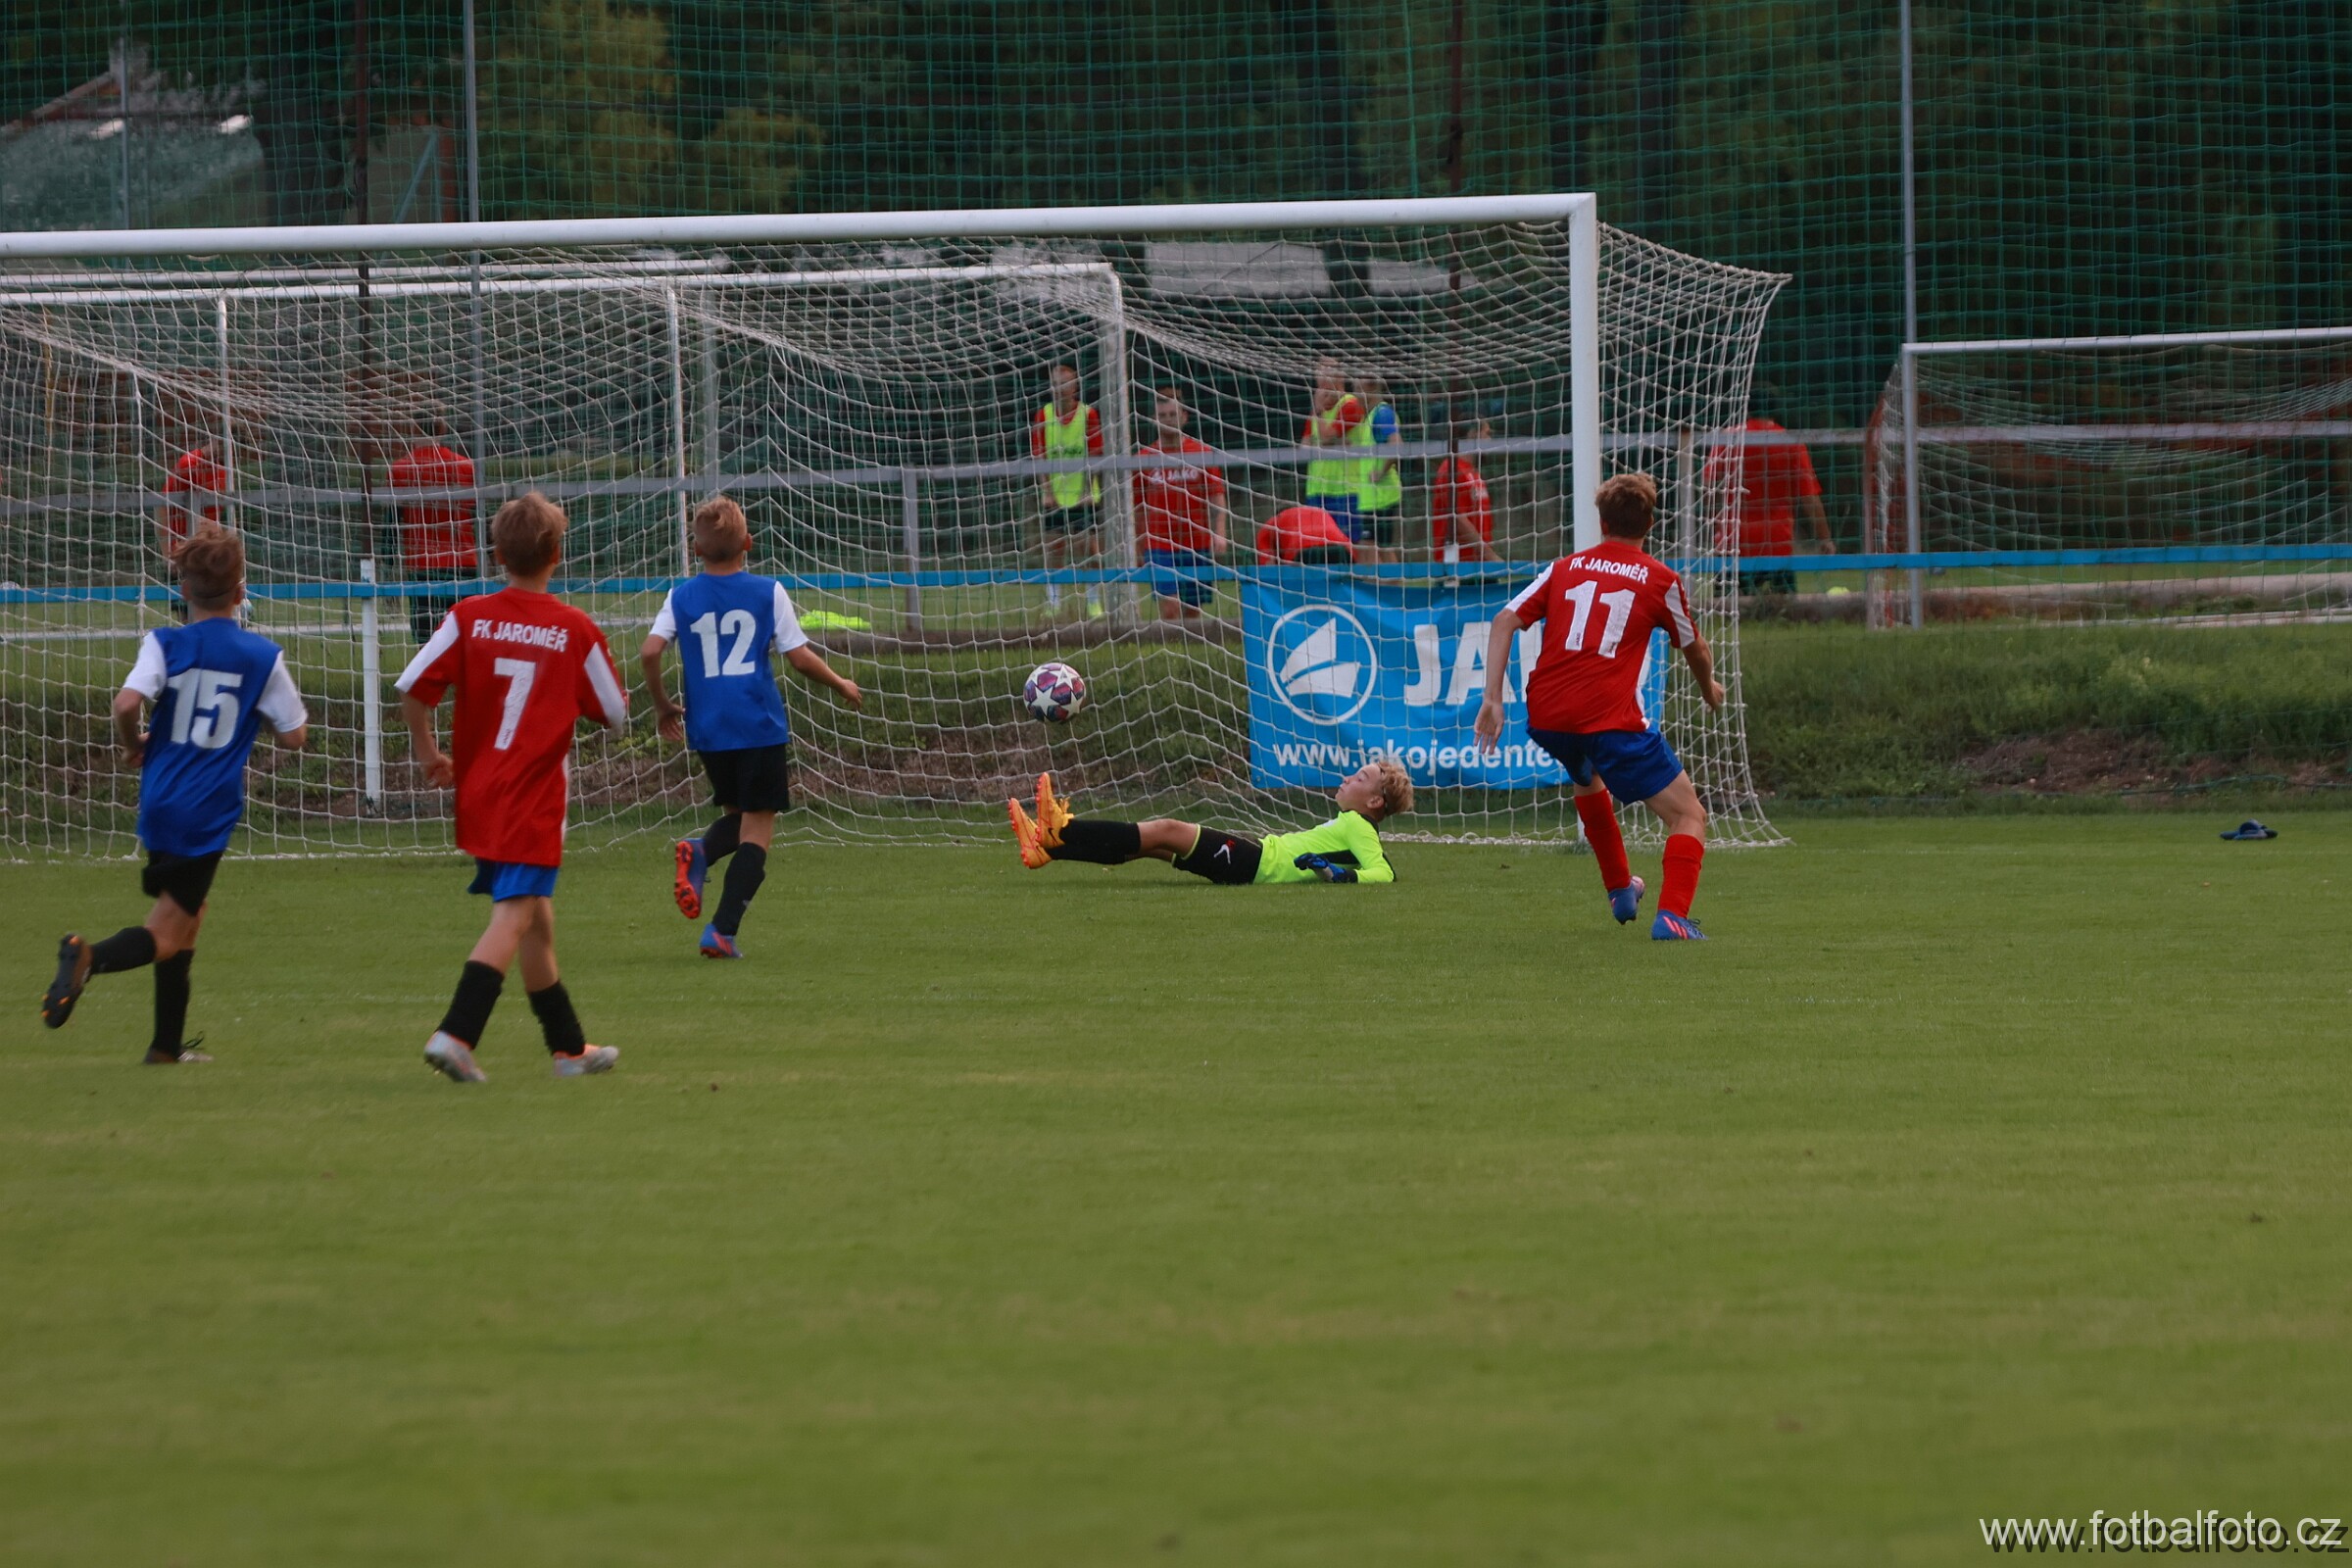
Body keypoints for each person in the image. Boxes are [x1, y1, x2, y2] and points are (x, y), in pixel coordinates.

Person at [40, 527, 310, 1063]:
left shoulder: (164, 643)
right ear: (241, 592)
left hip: (160, 800)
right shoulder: (261, 656)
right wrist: (256, 714)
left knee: (189, 914)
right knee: (167, 931)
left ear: (183, 590)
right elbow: (294, 736)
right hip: (206, 810)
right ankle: (88, 957)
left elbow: (125, 704)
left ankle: (166, 1047)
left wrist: (133, 744)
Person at [396, 492, 631, 1082]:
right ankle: (456, 1035)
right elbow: (614, 712)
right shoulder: (574, 628)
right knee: (512, 917)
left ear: (496, 554)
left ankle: (569, 1049)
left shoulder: (468, 616)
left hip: (480, 793)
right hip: (532, 799)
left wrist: (429, 754)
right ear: (558, 555)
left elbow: (412, 685)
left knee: (535, 922)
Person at [1473, 472, 1726, 941]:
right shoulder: (1661, 579)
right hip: (1608, 719)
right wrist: (1708, 687)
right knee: (1689, 814)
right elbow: (1696, 648)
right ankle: (1673, 917)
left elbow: (1505, 620)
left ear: (1602, 522)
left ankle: (1621, 890)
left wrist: (1492, 698)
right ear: (1650, 524)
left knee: (1587, 775)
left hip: (1548, 716)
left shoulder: (1564, 567)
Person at [642, 497, 864, 959]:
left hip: (708, 729)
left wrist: (663, 705)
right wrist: (841, 683)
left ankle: (703, 856)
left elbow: (649, 651)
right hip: (757, 725)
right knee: (757, 834)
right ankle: (721, 927)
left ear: (696, 550)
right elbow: (799, 658)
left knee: (739, 818)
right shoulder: (768, 592)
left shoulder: (679, 597)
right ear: (749, 543)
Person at [1005, 761, 1411, 885]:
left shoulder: (1360, 826)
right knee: (1154, 846)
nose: (1348, 778)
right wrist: (1331, 870)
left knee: (1167, 829)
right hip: (1257, 858)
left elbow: (1384, 873)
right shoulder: (1352, 822)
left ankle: (1064, 829)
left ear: (1375, 801)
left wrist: (1339, 876)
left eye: (1360, 778)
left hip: (1257, 864)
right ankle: (1051, 848)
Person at [1706, 415, 1834, 596]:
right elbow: (1809, 498)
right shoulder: (1789, 440)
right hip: (1777, 544)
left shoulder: (1727, 437)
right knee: (1784, 607)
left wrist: (1713, 525)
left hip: (1733, 541)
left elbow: (1708, 488)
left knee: (1727, 607)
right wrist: (1825, 537)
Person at [1132, 386, 1229, 620]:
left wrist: (1220, 533)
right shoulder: (1143, 459)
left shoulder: (1201, 452)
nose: (1167, 420)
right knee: (1170, 607)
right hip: (1159, 544)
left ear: (1184, 417)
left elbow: (1216, 497)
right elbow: (1137, 508)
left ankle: (1186, 645)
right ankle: (1170, 643)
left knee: (1192, 611)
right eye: (1162, 415)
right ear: (1154, 419)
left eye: (1172, 414)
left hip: (1197, 541)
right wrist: (1138, 543)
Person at [388, 428, 480, 643]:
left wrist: (388, 562)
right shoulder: (465, 466)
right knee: (464, 637)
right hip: (463, 562)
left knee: (427, 641)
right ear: (442, 431)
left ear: (412, 430)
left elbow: (392, 522)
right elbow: (478, 516)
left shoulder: (400, 469)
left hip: (423, 565)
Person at [1031, 363, 1105, 618]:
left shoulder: (1088, 414)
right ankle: (1054, 601)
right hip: (1055, 496)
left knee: (1090, 550)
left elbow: (1095, 454)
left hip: (1084, 495)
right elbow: (1039, 457)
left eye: (1064, 383)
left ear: (1075, 387)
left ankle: (1093, 601)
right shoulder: (1043, 415)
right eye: (1054, 383)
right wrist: (1047, 491)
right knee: (1055, 549)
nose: (1059, 388)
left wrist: (1086, 490)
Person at [156, 438, 227, 620]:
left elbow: (214, 517)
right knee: (187, 616)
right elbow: (162, 507)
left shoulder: (223, 470)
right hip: (182, 552)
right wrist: (167, 554)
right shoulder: (189, 465)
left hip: (208, 552)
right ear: (217, 442)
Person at [1299, 358, 1365, 545]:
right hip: (1317, 490)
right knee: (1319, 547)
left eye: (1326, 373)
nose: (1320, 381)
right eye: (1318, 374)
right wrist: (1329, 442)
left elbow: (1326, 437)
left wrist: (1319, 414)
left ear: (1340, 377)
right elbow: (1304, 447)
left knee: (1351, 545)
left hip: (1346, 490)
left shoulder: (1350, 404)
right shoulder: (1316, 413)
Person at [1350, 375, 1405, 564]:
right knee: (1372, 547)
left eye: (1357, 389)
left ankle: (1394, 581)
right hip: (1370, 496)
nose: (1355, 394)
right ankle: (1384, 581)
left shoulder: (1382, 414)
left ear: (1369, 389)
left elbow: (1397, 445)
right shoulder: (1371, 416)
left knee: (1377, 547)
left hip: (1381, 495)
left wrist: (1381, 472)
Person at [1431, 418, 1494, 564]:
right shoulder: (1451, 470)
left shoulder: (1473, 471)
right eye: (1487, 434)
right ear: (1473, 434)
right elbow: (1458, 520)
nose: (1490, 440)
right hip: (1458, 562)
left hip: (1478, 561)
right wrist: (1491, 556)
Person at [1254, 504, 1358, 566]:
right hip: (1341, 550)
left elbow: (1268, 566)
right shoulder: (1319, 512)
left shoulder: (1273, 522)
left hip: (1304, 552)